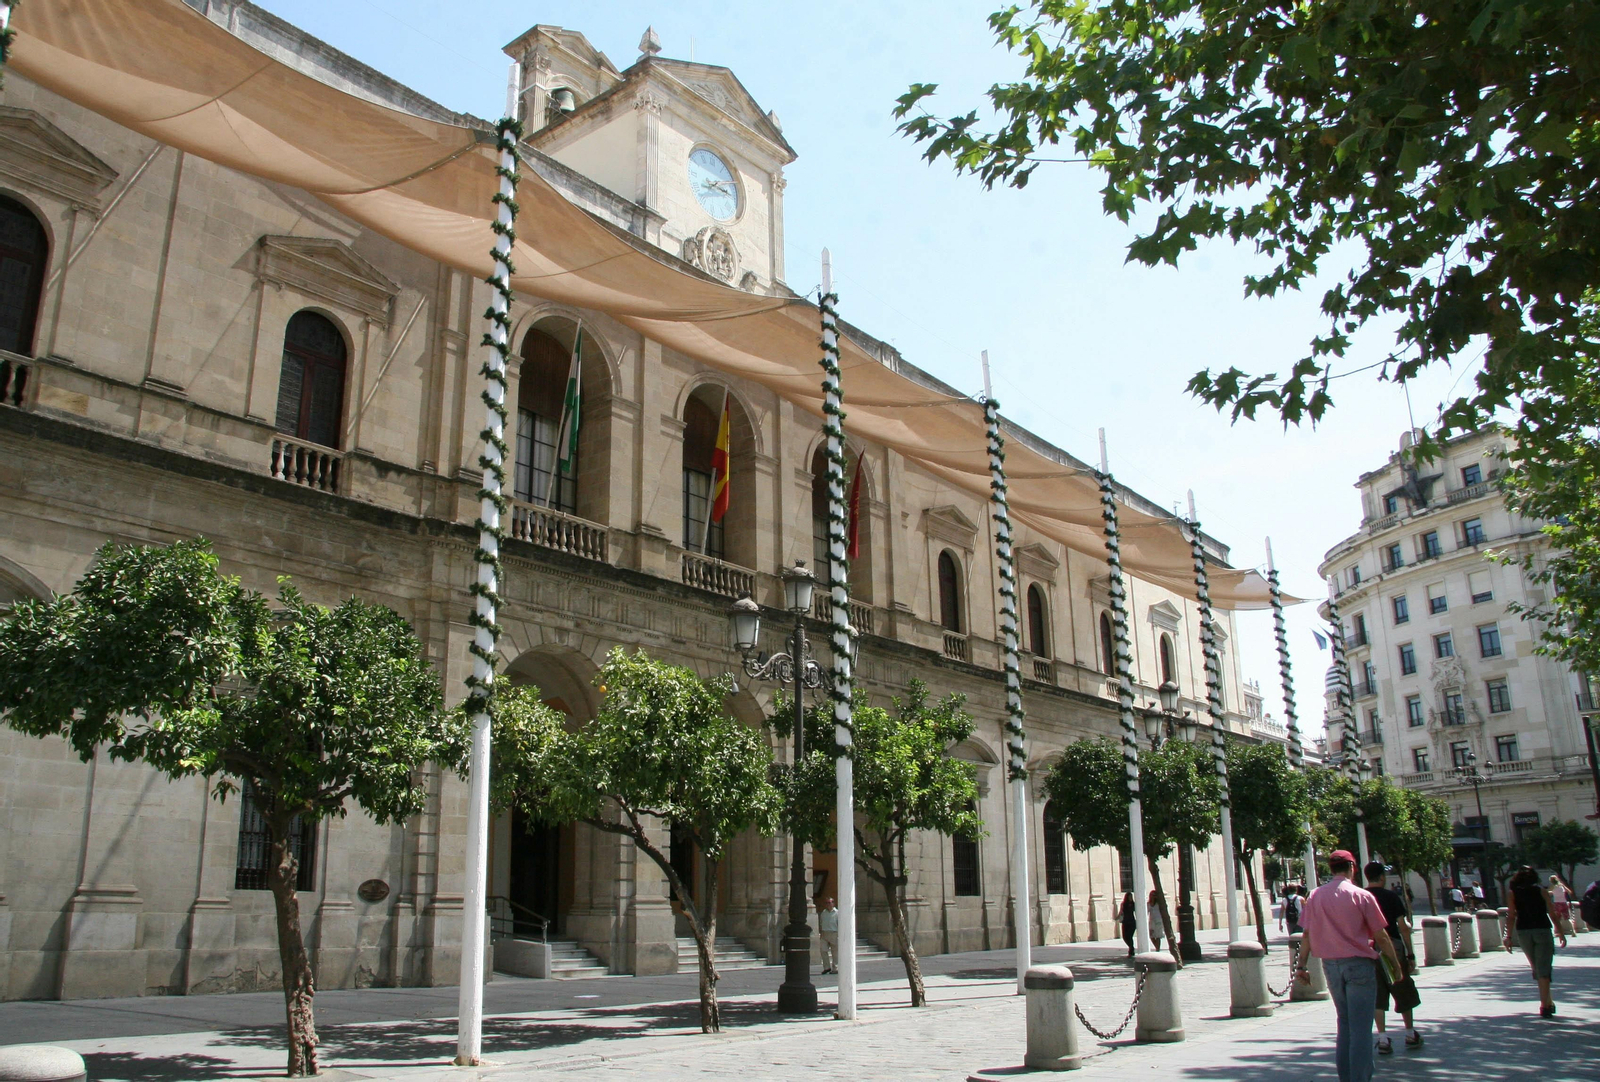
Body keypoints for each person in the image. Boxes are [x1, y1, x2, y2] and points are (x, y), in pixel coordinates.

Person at [1297, 850, 1402, 1082]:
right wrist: (1395, 963)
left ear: (1331, 868)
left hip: (1330, 965)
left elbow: (1306, 934)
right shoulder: (1361, 895)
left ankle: (1346, 1077)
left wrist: (1301, 966)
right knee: (1361, 1028)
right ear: (1352, 867)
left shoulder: (1315, 896)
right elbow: (1381, 935)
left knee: (1344, 1023)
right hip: (1359, 964)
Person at [1364, 861, 1421, 1053]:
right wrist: (1410, 953)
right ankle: (1410, 1033)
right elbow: (1402, 927)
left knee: (1377, 994)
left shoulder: (1361, 897)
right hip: (1393, 946)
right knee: (1402, 987)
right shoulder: (1391, 897)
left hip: (1370, 948)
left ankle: (1382, 1038)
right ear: (1382, 877)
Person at [1504, 866, 1564, 1017]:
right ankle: (1545, 1005)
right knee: (1543, 968)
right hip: (1542, 929)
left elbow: (1511, 916)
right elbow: (1552, 913)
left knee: (1537, 967)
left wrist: (1508, 937)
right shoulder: (1541, 891)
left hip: (1523, 931)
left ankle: (1548, 1001)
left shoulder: (1512, 893)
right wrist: (1561, 931)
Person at [816, 896, 839, 974]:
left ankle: (835, 968)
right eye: (827, 903)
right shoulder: (823, 913)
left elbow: (840, 924)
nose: (828, 904)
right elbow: (821, 923)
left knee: (835, 952)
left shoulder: (837, 913)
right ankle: (827, 967)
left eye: (830, 902)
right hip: (824, 933)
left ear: (833, 903)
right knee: (823, 950)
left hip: (834, 933)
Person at [1120, 892, 1137, 957]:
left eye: (1131, 897)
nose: (1130, 898)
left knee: (1129, 937)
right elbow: (1121, 912)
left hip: (1132, 922)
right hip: (1125, 922)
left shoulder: (1133, 904)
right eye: (1129, 897)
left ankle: (1131, 950)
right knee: (1125, 937)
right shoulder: (1123, 904)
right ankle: (1131, 947)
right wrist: (1117, 917)